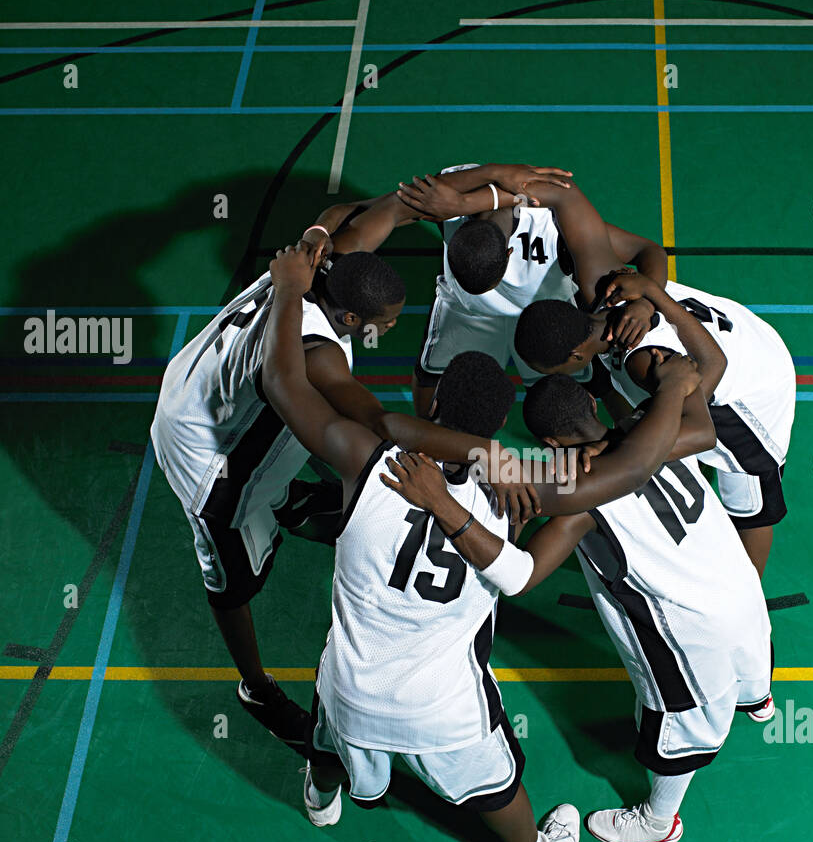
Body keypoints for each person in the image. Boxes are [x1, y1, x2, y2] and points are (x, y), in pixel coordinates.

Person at [257, 242, 588, 842]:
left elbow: (282, 383)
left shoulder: (368, 461)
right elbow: (598, 483)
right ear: (499, 429)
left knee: (329, 736)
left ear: (435, 416)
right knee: (498, 787)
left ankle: (323, 799)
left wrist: (290, 289)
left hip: (352, 685)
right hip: (444, 705)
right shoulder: (516, 497)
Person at [150, 237, 541, 768]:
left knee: (305, 464)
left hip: (214, 404)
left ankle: (287, 504)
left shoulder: (310, 264)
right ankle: (255, 688)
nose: (396, 327)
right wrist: (488, 452)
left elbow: (347, 221)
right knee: (231, 585)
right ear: (353, 316)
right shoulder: (318, 350)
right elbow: (378, 423)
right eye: (389, 319)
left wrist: (484, 186)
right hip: (209, 467)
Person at [385, 368, 773, 842]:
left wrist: (451, 506)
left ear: (547, 441)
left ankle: (658, 822)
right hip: (743, 594)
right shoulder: (658, 431)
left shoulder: (578, 503)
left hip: (692, 636)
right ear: (591, 406)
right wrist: (669, 384)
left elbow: (520, 577)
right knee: (750, 660)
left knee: (679, 732)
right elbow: (694, 383)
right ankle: (756, 698)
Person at [310, 161, 667, 415]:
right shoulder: (447, 196)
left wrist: (647, 305)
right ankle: (428, 442)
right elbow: (354, 211)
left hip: (545, 319)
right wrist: (320, 233)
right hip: (467, 311)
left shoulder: (554, 223)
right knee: (431, 374)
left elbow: (647, 249)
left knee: (581, 388)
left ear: (511, 252)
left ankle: (621, 439)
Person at [513, 270, 796, 579]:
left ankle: (750, 588)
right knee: (653, 420)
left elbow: (705, 383)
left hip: (751, 392)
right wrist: (648, 296)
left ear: (576, 354)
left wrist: (618, 444)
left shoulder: (642, 361)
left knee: (751, 509)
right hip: (743, 332)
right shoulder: (596, 293)